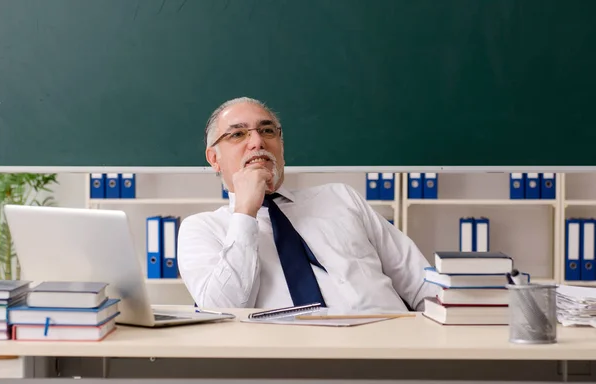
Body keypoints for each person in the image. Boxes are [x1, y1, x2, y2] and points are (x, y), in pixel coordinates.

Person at [177, 97, 439, 311]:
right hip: (290, 364)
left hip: (391, 348)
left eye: (267, 131)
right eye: (237, 134)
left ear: (281, 146)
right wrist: (245, 212)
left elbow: (422, 283)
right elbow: (225, 312)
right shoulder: (201, 228)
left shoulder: (341, 198)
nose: (257, 142)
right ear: (214, 158)